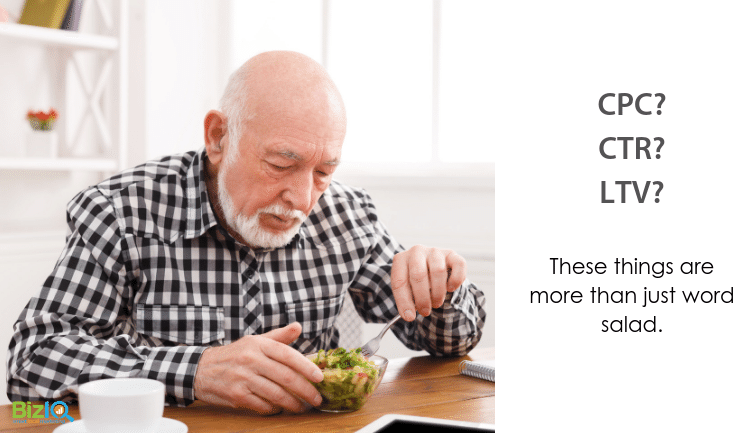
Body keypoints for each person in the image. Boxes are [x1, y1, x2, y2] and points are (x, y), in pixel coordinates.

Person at [6, 51, 486, 414]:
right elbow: (33, 363)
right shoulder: (123, 211)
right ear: (218, 137)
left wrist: (439, 287)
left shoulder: (345, 214)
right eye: (282, 164)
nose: (302, 199)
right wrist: (194, 371)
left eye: (324, 171)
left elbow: (449, 341)